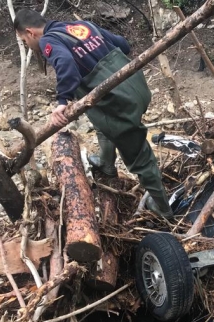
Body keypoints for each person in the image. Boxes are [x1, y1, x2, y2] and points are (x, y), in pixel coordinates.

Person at [13, 9, 173, 217]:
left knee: (137, 153)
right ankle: (107, 163)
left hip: (119, 102)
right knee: (99, 117)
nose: (28, 45)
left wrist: (62, 101)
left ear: (30, 32)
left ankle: (163, 207)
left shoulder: (48, 41)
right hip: (137, 87)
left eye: (24, 41)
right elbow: (122, 44)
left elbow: (66, 64)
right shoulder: (81, 27)